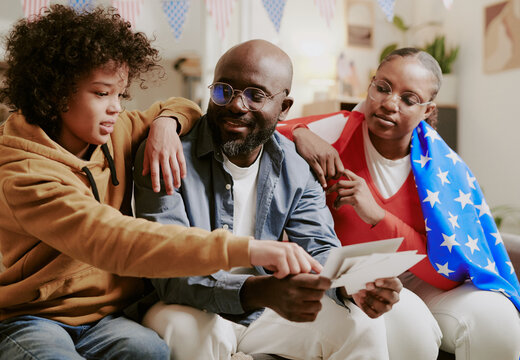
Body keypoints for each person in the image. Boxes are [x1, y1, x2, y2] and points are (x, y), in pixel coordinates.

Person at [0, 7, 318, 360]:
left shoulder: (114, 133)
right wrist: (247, 249)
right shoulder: (22, 172)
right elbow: (111, 238)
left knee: (150, 350)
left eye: (120, 95)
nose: (115, 108)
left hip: (106, 317)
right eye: (102, 93)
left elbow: (184, 106)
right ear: (56, 93)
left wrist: (166, 124)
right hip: (32, 317)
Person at [134, 39, 403, 360]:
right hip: (185, 306)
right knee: (189, 329)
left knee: (362, 327)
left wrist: (353, 283)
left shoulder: (296, 166)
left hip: (265, 309)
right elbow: (169, 270)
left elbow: (319, 249)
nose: (235, 105)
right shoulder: (168, 153)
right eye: (223, 90)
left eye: (255, 95)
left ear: (284, 108)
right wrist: (259, 292)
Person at [278, 47, 520, 359]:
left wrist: (377, 215)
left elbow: (446, 274)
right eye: (383, 88)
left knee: (497, 319)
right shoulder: (331, 133)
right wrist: (301, 133)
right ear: (371, 85)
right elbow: (263, 128)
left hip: (427, 281)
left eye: (408, 98)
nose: (389, 103)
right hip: (356, 280)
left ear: (427, 110)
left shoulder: (444, 170)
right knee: (406, 319)